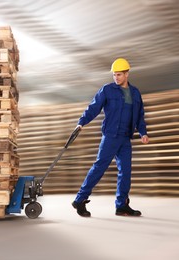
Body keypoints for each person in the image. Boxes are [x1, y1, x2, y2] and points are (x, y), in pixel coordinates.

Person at [72, 58, 149, 217]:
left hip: (125, 138)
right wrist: (81, 123)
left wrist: (143, 132)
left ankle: (121, 205)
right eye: (114, 75)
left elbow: (140, 115)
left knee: (125, 172)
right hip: (110, 136)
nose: (116, 78)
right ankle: (80, 199)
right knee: (99, 167)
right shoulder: (107, 90)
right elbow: (93, 107)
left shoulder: (135, 93)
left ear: (127, 74)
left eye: (119, 75)